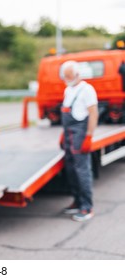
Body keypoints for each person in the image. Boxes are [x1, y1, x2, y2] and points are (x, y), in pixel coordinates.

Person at [59, 60, 98, 222]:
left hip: (80, 134)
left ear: (77, 74)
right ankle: (77, 201)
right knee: (71, 169)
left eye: (70, 76)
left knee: (82, 171)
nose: (68, 79)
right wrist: (63, 134)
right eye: (65, 77)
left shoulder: (87, 90)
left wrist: (89, 136)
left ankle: (86, 207)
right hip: (69, 134)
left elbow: (93, 113)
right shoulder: (68, 90)